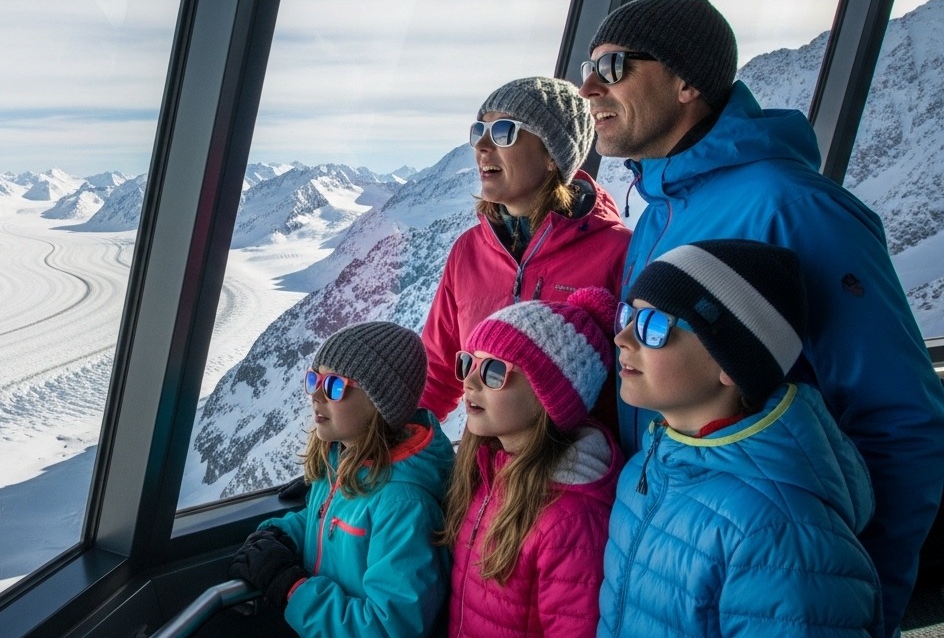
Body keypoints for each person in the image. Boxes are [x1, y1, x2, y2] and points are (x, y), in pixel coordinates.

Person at [580, 0, 944, 633]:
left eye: (613, 67)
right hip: (676, 538)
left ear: (687, 80)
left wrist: (868, 605)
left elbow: (900, 419)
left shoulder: (795, 206)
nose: (589, 87)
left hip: (776, 567)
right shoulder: (660, 209)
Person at [599, 239, 882, 637]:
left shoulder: (781, 538)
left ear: (731, 363)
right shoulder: (645, 469)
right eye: (628, 316)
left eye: (655, 325)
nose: (623, 338)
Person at [420, 76, 631, 429]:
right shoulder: (468, 252)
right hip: (486, 464)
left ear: (552, 155)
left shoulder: (616, 252)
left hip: (577, 466)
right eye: (479, 131)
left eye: (504, 131)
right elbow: (439, 372)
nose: (482, 146)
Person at [228, 321, 453, 638]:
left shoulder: (404, 506)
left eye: (334, 385)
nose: (316, 395)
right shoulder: (342, 458)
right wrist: (280, 535)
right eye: (313, 378)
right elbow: (326, 519)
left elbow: (389, 629)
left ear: (379, 402)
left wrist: (291, 586)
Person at [442, 286, 624, 638]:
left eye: (494, 371)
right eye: (468, 362)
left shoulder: (568, 518)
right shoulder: (488, 469)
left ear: (549, 395)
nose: (470, 382)